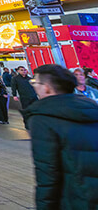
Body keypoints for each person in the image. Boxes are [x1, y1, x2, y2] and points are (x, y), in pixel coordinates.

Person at [26, 64, 98, 210]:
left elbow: (47, 173)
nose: (33, 86)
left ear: (46, 87)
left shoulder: (42, 118)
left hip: (74, 197)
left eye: (35, 82)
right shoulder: (91, 107)